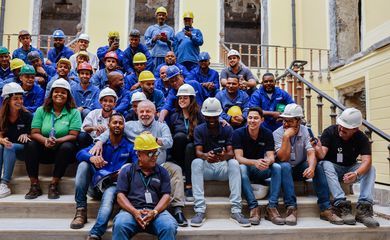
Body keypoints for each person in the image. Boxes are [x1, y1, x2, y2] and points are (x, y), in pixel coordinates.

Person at [91, 100, 188, 227]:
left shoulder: (161, 125)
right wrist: (99, 141)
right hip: (138, 166)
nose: (144, 114)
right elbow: (111, 130)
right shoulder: (130, 125)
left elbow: (170, 142)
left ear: (154, 113)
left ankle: (178, 209)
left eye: (148, 111)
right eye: (141, 111)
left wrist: (153, 140)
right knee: (125, 168)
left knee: (176, 169)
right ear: (136, 112)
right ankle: (127, 207)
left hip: (160, 165)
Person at [273, 103, 343, 225]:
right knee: (284, 166)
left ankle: (325, 208)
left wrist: (311, 167)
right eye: (284, 120)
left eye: (289, 121)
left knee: (319, 166)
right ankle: (291, 208)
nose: (285, 124)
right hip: (285, 171)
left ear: (298, 121)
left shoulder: (307, 131)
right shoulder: (278, 133)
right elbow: (283, 158)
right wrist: (286, 137)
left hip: (300, 168)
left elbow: (311, 153)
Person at [72, 113, 137, 240]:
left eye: (120, 123)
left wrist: (124, 172)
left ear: (124, 126)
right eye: (115, 122)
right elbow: (79, 154)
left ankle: (95, 233)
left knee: (109, 194)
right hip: (96, 187)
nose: (117, 125)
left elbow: (137, 164)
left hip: (114, 187)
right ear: (108, 125)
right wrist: (92, 158)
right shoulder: (100, 144)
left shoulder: (129, 146)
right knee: (83, 165)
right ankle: (80, 209)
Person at [312, 108, 380, 228]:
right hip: (332, 168)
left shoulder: (361, 138)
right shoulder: (330, 131)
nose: (341, 129)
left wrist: (356, 173)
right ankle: (340, 204)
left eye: (346, 128)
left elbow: (367, 160)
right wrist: (318, 149)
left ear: (355, 129)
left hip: (350, 169)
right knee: (324, 164)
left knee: (371, 168)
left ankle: (363, 209)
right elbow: (322, 155)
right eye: (341, 125)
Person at [190, 97, 250, 227]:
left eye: (214, 117)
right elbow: (198, 152)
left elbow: (231, 152)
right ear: (204, 116)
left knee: (234, 163)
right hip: (207, 167)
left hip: (222, 167)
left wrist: (223, 156)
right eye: (208, 117)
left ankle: (236, 210)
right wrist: (206, 156)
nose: (211, 120)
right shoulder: (199, 129)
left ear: (219, 115)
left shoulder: (227, 129)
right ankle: (200, 210)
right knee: (196, 162)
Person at [112, 132, 178, 240]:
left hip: (156, 212)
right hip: (131, 212)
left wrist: (155, 212)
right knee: (120, 224)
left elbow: (166, 196)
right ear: (139, 154)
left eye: (155, 153)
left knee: (169, 226)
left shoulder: (162, 172)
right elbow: (120, 196)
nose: (154, 157)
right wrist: (134, 212)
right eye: (150, 153)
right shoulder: (127, 171)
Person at [24, 79, 82, 200]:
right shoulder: (41, 110)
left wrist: (57, 141)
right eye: (56, 91)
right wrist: (45, 140)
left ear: (68, 96)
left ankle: (54, 185)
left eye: (63, 92)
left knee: (68, 146)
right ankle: (34, 185)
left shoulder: (74, 112)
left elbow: (73, 135)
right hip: (44, 149)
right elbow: (34, 132)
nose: (59, 94)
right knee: (30, 144)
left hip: (62, 153)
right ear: (51, 94)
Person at [232, 107, 283, 225]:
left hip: (261, 168)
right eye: (250, 118)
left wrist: (268, 161)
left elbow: (271, 156)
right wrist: (255, 162)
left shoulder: (267, 133)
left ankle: (272, 207)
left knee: (277, 167)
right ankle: (254, 207)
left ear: (262, 120)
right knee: (241, 168)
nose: (252, 121)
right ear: (246, 119)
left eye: (256, 118)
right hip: (247, 168)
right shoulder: (238, 133)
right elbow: (239, 158)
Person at [169, 84, 204, 202]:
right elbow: (170, 137)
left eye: (185, 98)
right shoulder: (174, 116)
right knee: (179, 137)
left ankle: (189, 186)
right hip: (177, 155)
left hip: (193, 153)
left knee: (190, 146)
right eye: (180, 98)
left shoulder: (199, 115)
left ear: (191, 99)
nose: (182, 100)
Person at [0, 82, 32, 198]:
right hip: (8, 148)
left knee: (10, 146)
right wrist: (2, 140)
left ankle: (4, 183)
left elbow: (35, 133)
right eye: (16, 99)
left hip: (22, 150)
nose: (20, 101)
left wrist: (28, 134)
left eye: (21, 98)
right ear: (7, 101)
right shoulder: (2, 115)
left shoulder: (27, 115)